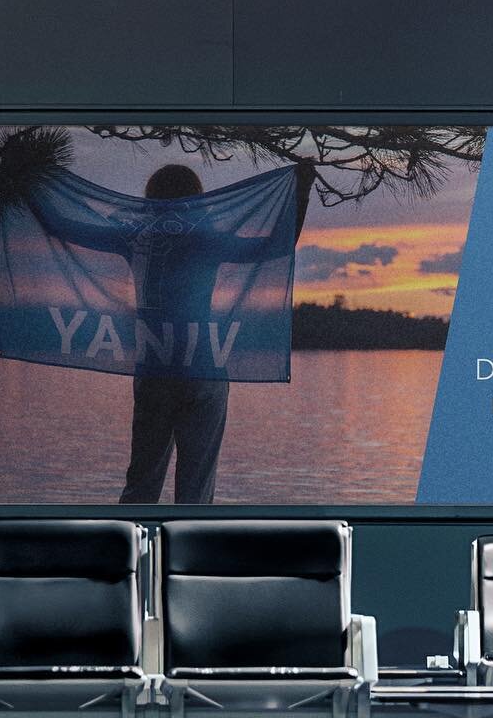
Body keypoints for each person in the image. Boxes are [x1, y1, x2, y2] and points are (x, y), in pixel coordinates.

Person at [29, 159, 317, 504]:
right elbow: (276, 246)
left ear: (152, 198)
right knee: (196, 491)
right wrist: (301, 193)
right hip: (202, 366)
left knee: (141, 484)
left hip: (155, 366)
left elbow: (60, 226)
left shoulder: (135, 237)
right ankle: (186, 555)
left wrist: (23, 185)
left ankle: (130, 553)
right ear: (197, 198)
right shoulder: (207, 238)